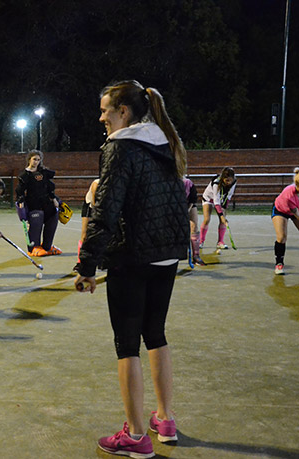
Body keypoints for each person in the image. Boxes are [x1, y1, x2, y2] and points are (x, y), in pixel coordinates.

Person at [75, 80, 189, 458]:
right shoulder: (163, 142)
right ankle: (166, 419)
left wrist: (87, 264)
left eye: (106, 109)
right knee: (155, 333)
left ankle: (137, 436)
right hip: (167, 254)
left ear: (124, 111)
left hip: (134, 256)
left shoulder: (120, 147)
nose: (101, 116)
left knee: (127, 345)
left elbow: (105, 209)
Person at [15, 150, 61, 257]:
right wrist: (21, 202)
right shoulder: (25, 175)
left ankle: (47, 246)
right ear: (29, 160)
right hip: (33, 203)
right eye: (34, 159)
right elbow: (20, 191)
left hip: (46, 202)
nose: (36, 162)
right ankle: (34, 247)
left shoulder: (43, 173)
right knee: (38, 217)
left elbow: (49, 187)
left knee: (54, 215)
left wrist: (53, 199)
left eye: (38, 160)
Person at [200, 167, 237, 250]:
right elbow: (216, 201)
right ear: (222, 179)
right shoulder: (216, 183)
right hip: (209, 198)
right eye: (226, 180)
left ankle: (220, 242)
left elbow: (229, 196)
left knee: (223, 221)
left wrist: (224, 211)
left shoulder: (234, 182)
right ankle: (201, 241)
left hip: (220, 200)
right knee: (207, 219)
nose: (229, 182)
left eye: (230, 180)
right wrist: (221, 215)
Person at [271, 168, 299, 275]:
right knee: (282, 237)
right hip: (280, 210)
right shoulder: (290, 194)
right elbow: (297, 214)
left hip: (295, 210)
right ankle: (279, 264)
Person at [74, 178, 99, 272]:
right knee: (85, 235)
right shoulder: (97, 183)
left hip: (104, 208)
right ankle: (80, 263)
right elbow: (94, 203)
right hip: (90, 207)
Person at [184, 177, 205, 266]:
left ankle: (196, 256)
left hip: (188, 204)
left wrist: (187, 210)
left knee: (194, 226)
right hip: (172, 204)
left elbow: (193, 198)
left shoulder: (188, 182)